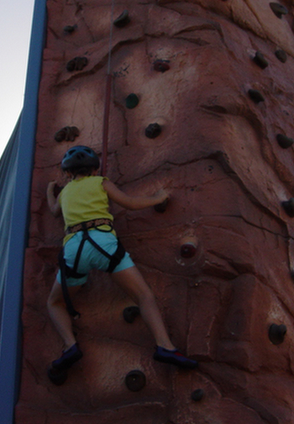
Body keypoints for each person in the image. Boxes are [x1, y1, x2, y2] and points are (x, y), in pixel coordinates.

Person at [46, 145, 198, 372]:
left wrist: (50, 190)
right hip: (104, 243)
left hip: (74, 249)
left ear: (68, 173)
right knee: (143, 295)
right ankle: (164, 345)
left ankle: (70, 345)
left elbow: (53, 210)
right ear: (94, 170)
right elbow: (129, 203)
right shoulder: (101, 182)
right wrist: (158, 198)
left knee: (55, 302)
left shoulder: (65, 192)